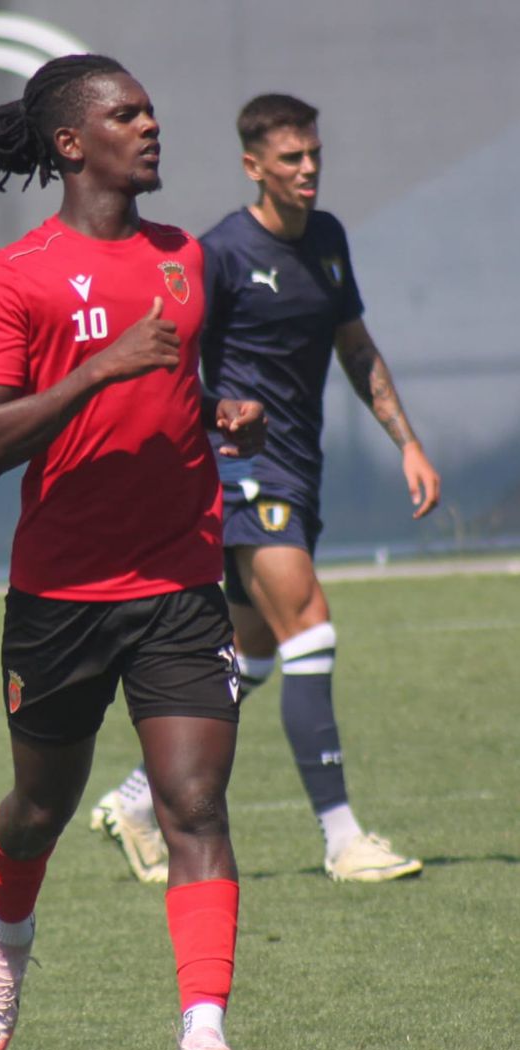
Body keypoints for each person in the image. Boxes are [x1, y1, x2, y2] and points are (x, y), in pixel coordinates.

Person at [0, 53, 267, 1050]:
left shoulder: (186, 257)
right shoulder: (16, 274)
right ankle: (7, 934)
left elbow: (178, 382)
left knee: (194, 804)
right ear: (70, 142)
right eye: (125, 114)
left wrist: (220, 411)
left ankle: (202, 1031)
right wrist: (100, 368)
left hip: (180, 582)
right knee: (38, 809)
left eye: (149, 112)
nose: (148, 126)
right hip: (60, 594)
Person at [93, 92, 441, 886]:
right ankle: (342, 838)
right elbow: (168, 359)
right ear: (254, 165)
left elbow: (357, 348)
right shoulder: (218, 252)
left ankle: (135, 799)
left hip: (298, 468)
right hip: (242, 471)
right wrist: (205, 426)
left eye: (314, 153)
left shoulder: (327, 239)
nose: (308, 168)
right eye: (291, 158)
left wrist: (410, 443)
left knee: (248, 656)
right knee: (309, 626)